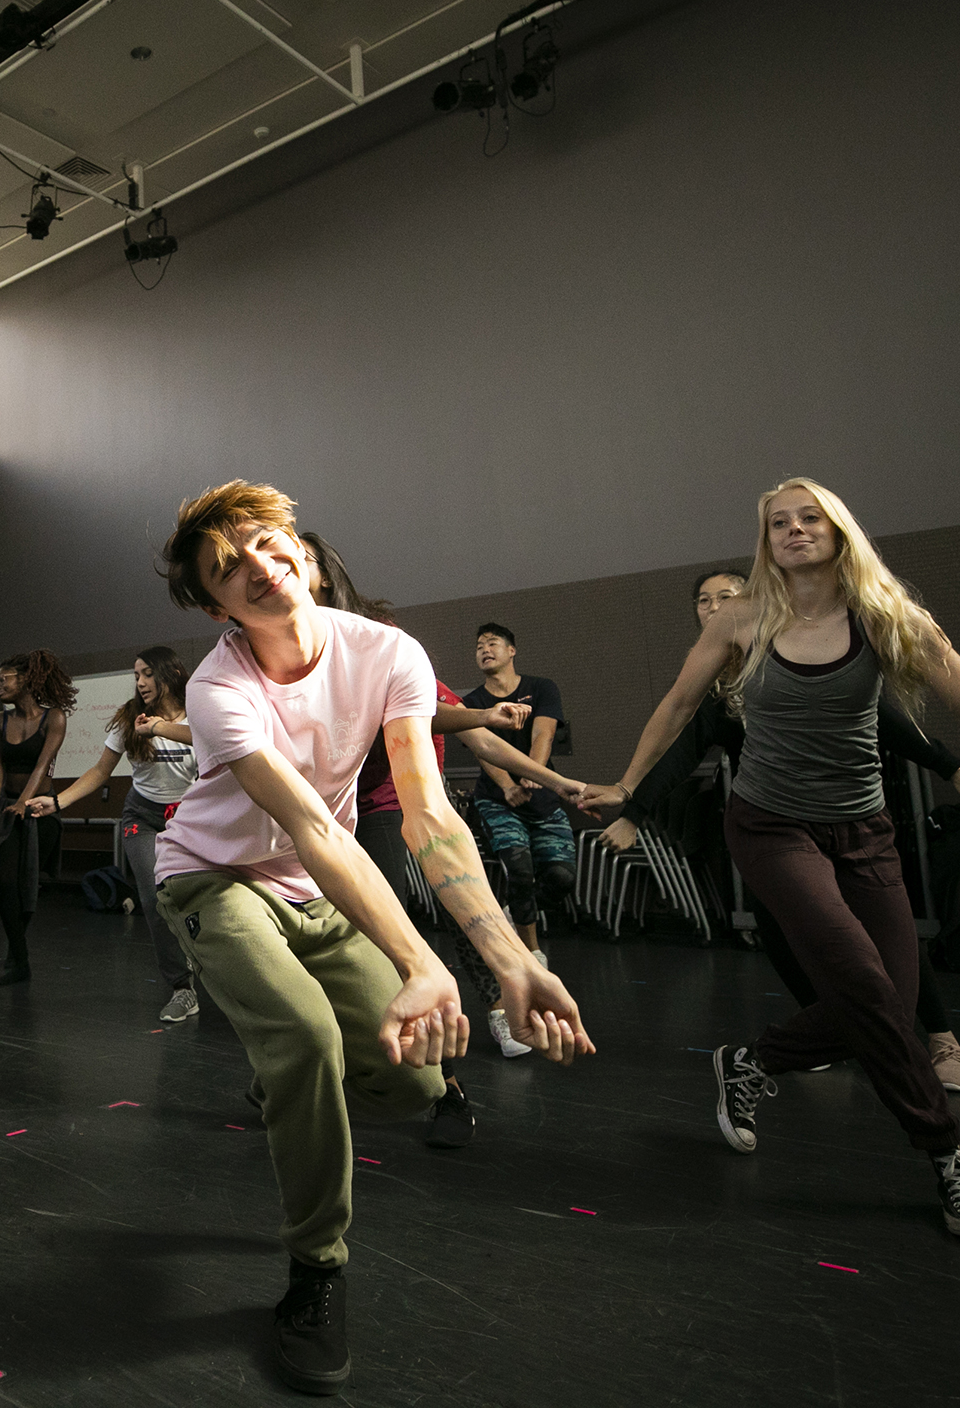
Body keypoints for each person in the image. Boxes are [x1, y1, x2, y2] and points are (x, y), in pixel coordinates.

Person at [150, 482, 592, 1393]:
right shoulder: (216, 687)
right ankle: (317, 1270)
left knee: (412, 1078)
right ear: (215, 605)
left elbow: (427, 808)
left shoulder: (387, 651)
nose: (261, 569)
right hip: (217, 876)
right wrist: (422, 960)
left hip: (318, 888)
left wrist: (512, 957)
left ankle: (283, 1080)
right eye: (230, 569)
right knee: (308, 1040)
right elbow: (313, 823)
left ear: (303, 554)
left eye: (271, 545)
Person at [610, 479, 960, 1243]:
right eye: (779, 522)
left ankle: (748, 1060)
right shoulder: (742, 621)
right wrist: (625, 788)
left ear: (839, 531)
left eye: (810, 517)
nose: (794, 529)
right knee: (868, 988)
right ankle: (949, 1157)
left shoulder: (887, 619)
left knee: (887, 1002)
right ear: (765, 540)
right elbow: (679, 706)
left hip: (863, 829)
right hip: (771, 827)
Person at [582, 569, 960, 1090]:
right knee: (778, 930)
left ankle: (940, 1037)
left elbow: (886, 720)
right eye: (705, 601)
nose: (714, 607)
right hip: (772, 828)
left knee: (883, 934)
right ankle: (829, 1029)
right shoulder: (717, 686)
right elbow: (680, 750)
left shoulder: (804, 651)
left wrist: (949, 766)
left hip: (846, 817)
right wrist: (631, 806)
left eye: (727, 597)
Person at [301, 532, 594, 1149]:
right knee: (375, 945)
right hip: (353, 820)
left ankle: (461, 1065)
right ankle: (343, 1064)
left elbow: (475, 737)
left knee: (445, 921)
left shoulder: (395, 659)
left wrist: (555, 779)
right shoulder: (310, 670)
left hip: (410, 814)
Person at [26, 645, 200, 1021]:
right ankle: (182, 988)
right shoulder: (130, 718)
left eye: (146, 674)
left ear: (168, 674)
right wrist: (58, 803)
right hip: (142, 817)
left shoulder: (198, 717)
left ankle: (209, 968)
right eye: (136, 675)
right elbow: (100, 771)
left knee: (201, 900)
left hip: (190, 819)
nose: (139, 682)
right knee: (154, 900)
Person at [459, 622, 574, 962]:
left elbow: (543, 735)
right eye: (479, 645)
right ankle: (532, 951)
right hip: (497, 800)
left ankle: (511, 916)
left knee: (561, 877)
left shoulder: (541, 688)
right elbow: (483, 749)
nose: (484, 649)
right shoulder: (473, 702)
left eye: (493, 643)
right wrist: (508, 785)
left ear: (512, 651)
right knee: (520, 869)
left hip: (543, 797)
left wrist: (533, 777)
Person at [0, 650, 73, 986]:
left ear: (26, 680)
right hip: (8, 808)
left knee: (27, 887)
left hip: (40, 809)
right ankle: (19, 958)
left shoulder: (54, 718)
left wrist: (24, 802)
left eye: (3, 679)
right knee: (5, 882)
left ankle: (16, 955)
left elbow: (42, 765)